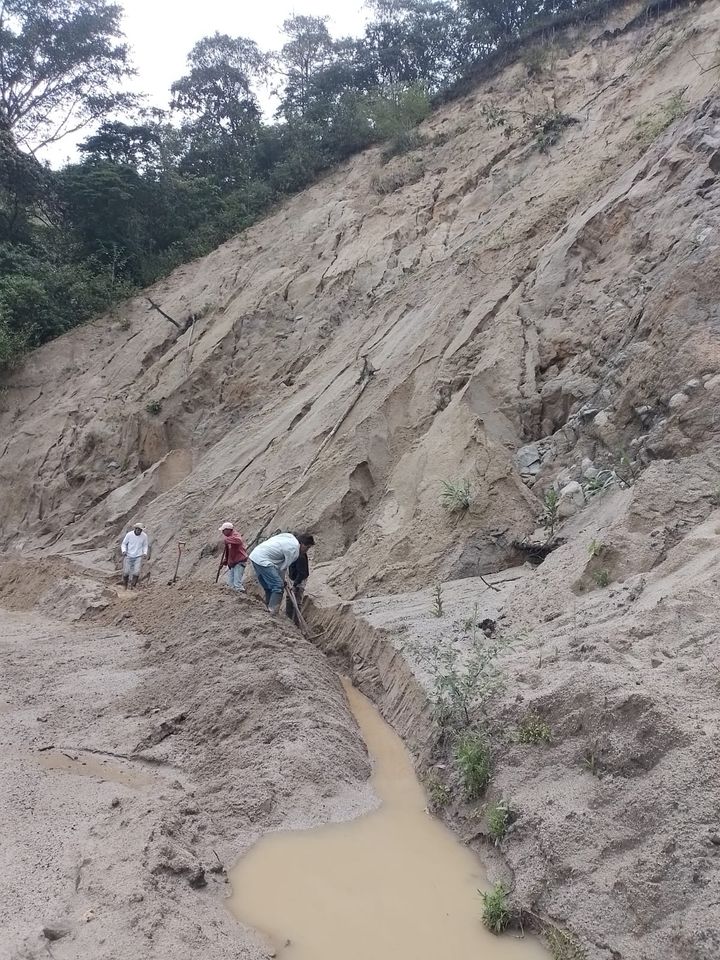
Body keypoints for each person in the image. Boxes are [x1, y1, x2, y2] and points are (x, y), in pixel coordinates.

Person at [249, 531, 315, 615]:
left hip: (255, 555)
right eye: (307, 547)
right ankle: (273, 611)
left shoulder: (289, 538)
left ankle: (268, 608)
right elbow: (283, 568)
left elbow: (280, 566)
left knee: (269, 587)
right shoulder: (294, 549)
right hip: (263, 560)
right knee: (278, 586)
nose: (307, 550)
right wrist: (282, 581)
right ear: (302, 544)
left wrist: (283, 580)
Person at [218, 522, 249, 592]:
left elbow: (239, 540)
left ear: (228, 530)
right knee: (230, 584)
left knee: (237, 584)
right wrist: (225, 562)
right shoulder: (228, 538)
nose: (222, 532)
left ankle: (241, 595)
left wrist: (227, 540)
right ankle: (233, 597)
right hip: (232, 563)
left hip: (239, 561)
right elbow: (228, 552)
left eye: (223, 530)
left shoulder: (235, 535)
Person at [121, 523, 149, 589]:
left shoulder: (144, 536)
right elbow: (124, 544)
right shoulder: (129, 535)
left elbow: (145, 545)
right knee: (126, 572)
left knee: (136, 572)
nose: (139, 531)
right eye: (138, 529)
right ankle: (125, 585)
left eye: (141, 530)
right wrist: (124, 551)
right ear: (135, 529)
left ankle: (133, 586)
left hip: (138, 556)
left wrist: (145, 553)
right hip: (128, 555)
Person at [285, 548, 310, 624]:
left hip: (299, 580)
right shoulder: (292, 553)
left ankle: (296, 623)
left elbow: (302, 573)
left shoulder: (300, 556)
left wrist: (295, 585)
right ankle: (288, 619)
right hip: (292, 578)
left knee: (297, 601)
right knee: (289, 599)